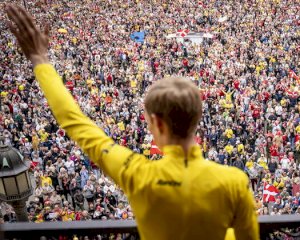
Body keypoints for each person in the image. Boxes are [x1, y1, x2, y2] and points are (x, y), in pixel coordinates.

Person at [5, 5, 259, 240]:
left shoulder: (137, 174)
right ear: (197, 117)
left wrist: (41, 61)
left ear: (157, 124)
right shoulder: (234, 182)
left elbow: (76, 123)